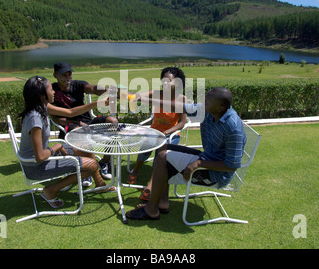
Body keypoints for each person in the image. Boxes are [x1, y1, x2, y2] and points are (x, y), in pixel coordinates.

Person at [126, 87, 247, 220]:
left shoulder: (232, 127)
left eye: (206, 102)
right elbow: (178, 106)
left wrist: (198, 163)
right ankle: (162, 202)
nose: (202, 104)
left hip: (216, 174)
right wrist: (144, 99)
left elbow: (232, 165)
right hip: (206, 159)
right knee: (163, 148)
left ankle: (151, 210)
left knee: (162, 157)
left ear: (219, 108)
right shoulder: (210, 110)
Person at [19, 76, 114, 209]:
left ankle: (100, 184)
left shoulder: (42, 106)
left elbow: (70, 112)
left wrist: (98, 103)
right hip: (35, 167)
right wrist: (56, 147)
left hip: (44, 158)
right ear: (42, 95)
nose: (54, 92)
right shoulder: (34, 119)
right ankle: (50, 190)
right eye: (51, 90)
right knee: (91, 165)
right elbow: (39, 156)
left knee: (85, 147)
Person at [51, 62, 116, 185]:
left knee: (113, 122)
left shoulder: (78, 84)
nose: (67, 78)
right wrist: (78, 123)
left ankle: (105, 161)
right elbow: (57, 119)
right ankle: (87, 169)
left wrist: (107, 91)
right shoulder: (52, 90)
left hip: (87, 121)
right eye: (64, 75)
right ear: (55, 75)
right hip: (68, 124)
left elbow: (92, 89)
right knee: (80, 131)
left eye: (69, 74)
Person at [127, 67, 187, 185]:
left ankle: (151, 183)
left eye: (169, 81)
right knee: (145, 149)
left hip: (171, 134)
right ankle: (135, 171)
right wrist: (134, 96)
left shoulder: (182, 99)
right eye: (163, 80)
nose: (165, 83)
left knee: (160, 154)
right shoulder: (156, 93)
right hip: (154, 131)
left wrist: (165, 133)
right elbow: (140, 94)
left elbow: (181, 123)